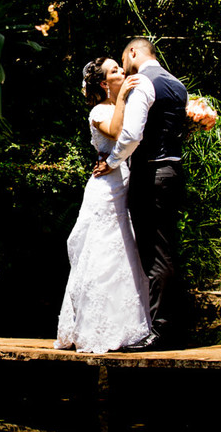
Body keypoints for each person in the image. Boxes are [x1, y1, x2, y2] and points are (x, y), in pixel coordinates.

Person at [94, 38, 188, 349]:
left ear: (134, 52)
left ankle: (161, 332)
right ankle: (176, 325)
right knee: (168, 249)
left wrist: (112, 160)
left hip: (151, 173)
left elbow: (132, 134)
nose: (125, 66)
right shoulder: (177, 85)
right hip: (174, 171)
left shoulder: (144, 83)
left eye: (124, 57)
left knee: (154, 254)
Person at [53, 58, 152, 353]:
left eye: (120, 68)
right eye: (115, 71)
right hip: (105, 189)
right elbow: (117, 130)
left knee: (124, 253)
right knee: (101, 251)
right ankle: (91, 328)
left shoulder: (125, 102)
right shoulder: (99, 111)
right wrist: (122, 97)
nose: (123, 72)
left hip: (123, 183)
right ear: (103, 83)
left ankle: (126, 327)